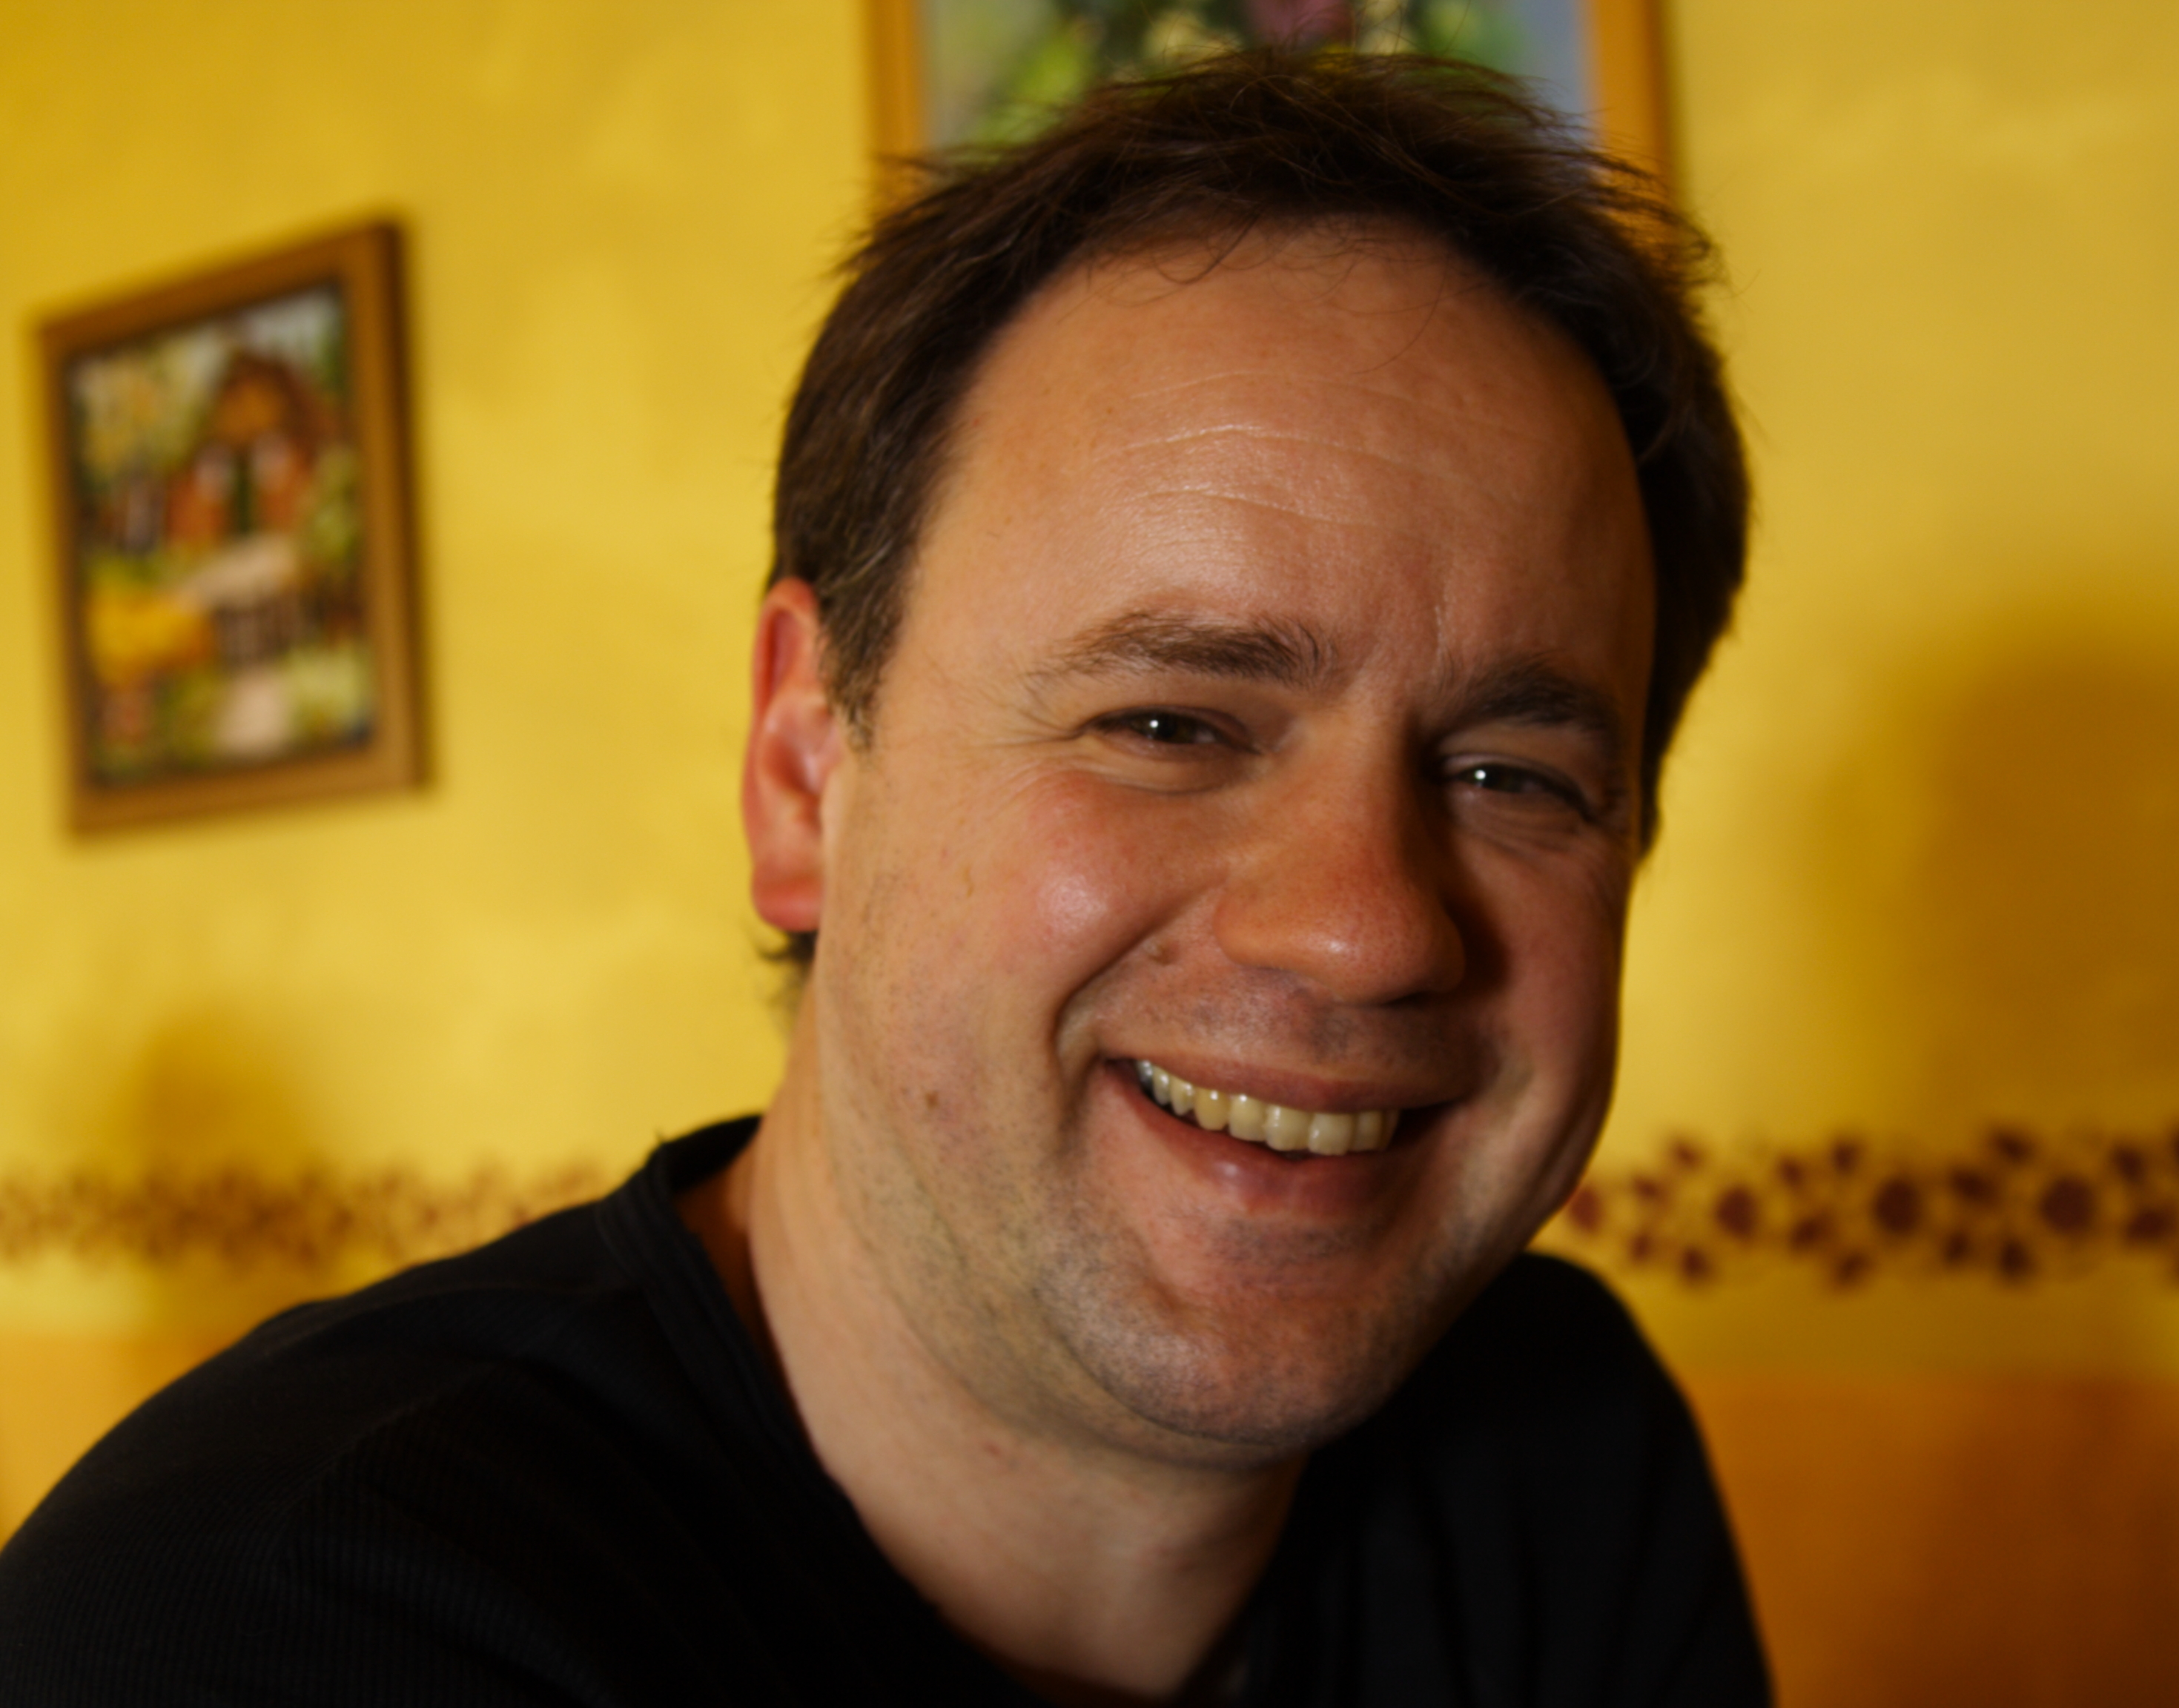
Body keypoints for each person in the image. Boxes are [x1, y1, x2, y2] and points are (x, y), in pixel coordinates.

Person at [0, 51, 1767, 1707]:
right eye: (1168, 723)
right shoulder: (267, 1620)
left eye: (1512, 777)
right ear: (804, 774)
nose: (1369, 928)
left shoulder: (1560, 1455)